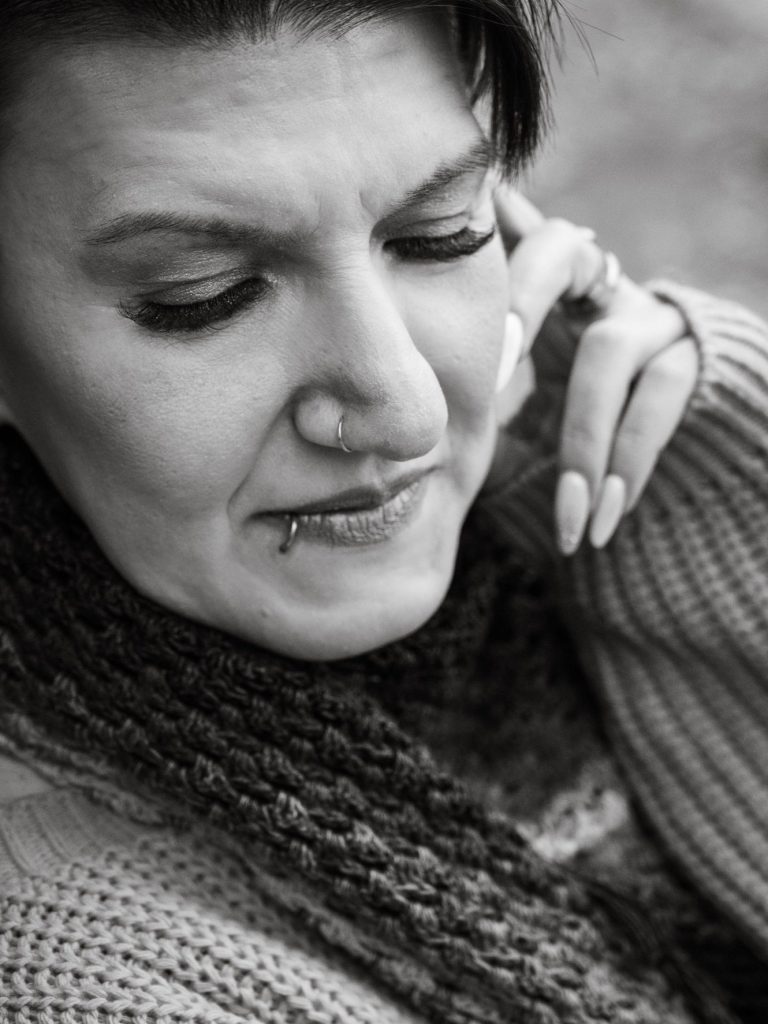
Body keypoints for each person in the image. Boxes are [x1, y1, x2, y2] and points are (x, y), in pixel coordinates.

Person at [0, 2, 766, 1022]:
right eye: (205, 294)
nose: (405, 409)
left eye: (440, 233)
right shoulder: (83, 975)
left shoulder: (535, 574)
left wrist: (704, 455)